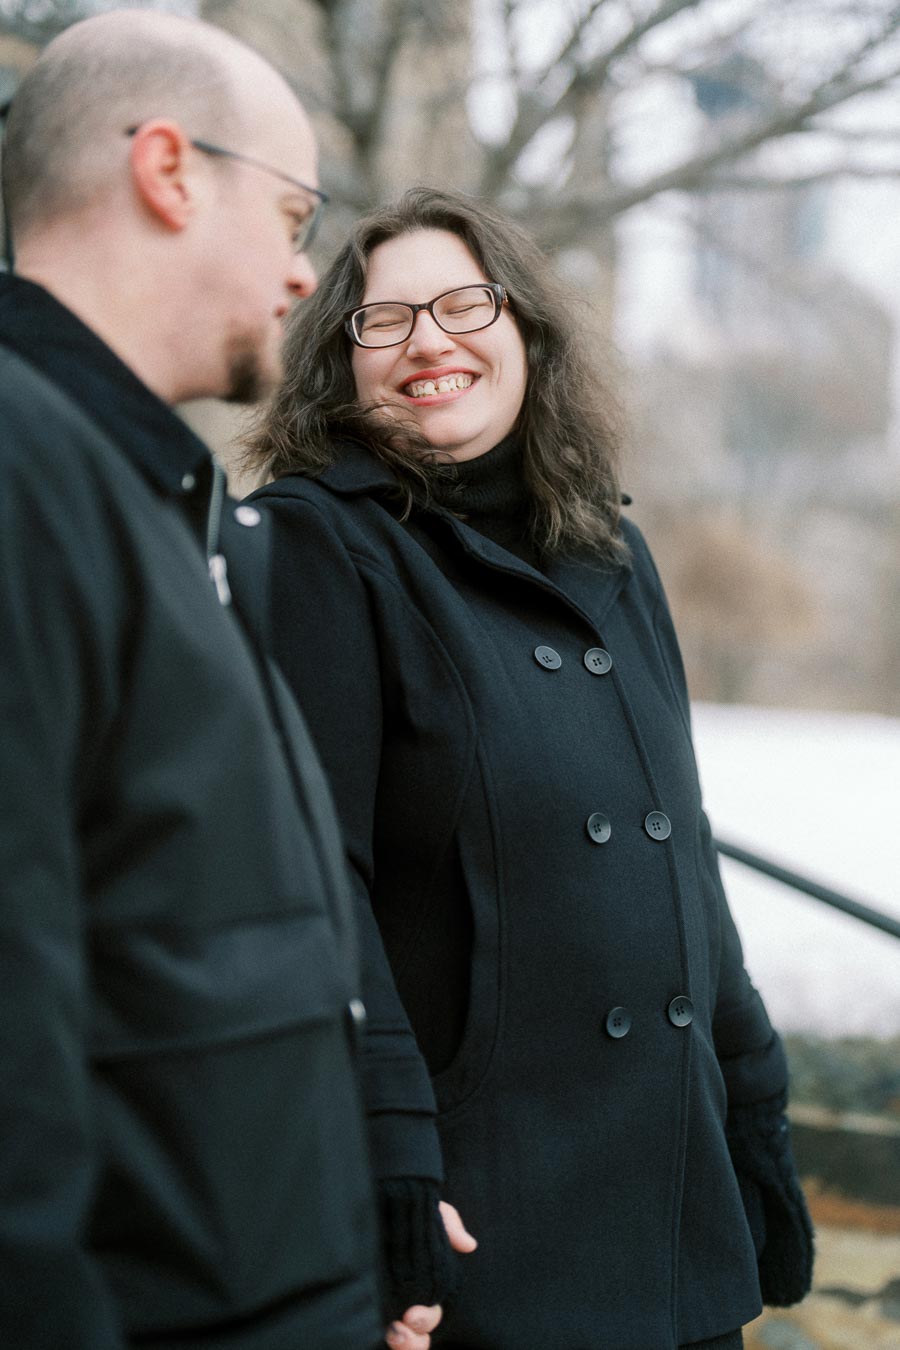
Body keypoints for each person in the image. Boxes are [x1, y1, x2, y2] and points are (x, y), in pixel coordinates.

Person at [243, 187, 815, 1350]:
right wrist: (386, 1163)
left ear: (527, 335)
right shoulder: (318, 544)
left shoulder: (612, 547)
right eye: (385, 321)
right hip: (484, 1221)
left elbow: (683, 855)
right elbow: (315, 887)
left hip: (669, 1196)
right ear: (339, 366)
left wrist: (754, 1114)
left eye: (465, 303)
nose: (430, 343)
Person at [0, 13, 443, 1349]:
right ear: (170, 170)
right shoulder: (25, 477)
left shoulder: (145, 494)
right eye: (295, 213)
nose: (309, 274)